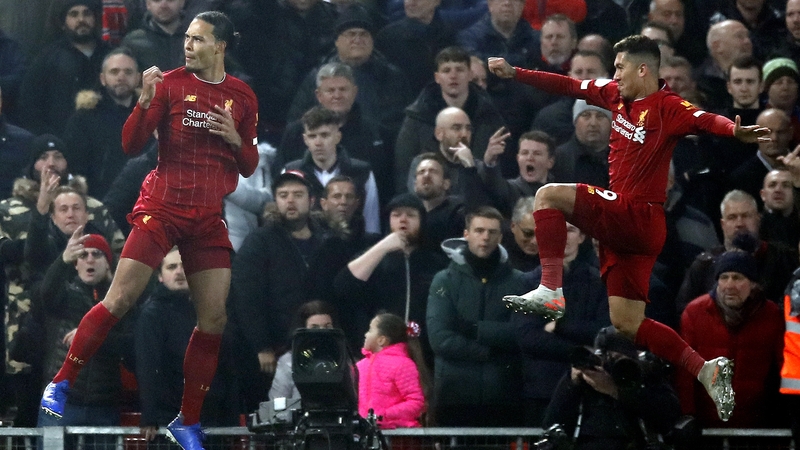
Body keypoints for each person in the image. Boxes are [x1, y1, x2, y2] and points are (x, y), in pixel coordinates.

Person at [488, 34, 770, 422]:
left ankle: (551, 290)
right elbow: (567, 84)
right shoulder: (612, 95)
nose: (614, 73)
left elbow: (704, 119)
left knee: (548, 195)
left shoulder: (668, 106)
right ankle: (707, 369)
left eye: (620, 67)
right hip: (633, 232)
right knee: (627, 323)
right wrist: (515, 72)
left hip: (636, 214)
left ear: (642, 69)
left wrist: (734, 131)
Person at [39, 11, 258, 450]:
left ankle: (187, 421)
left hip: (207, 217)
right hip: (162, 207)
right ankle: (60, 383)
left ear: (222, 46)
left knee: (214, 320)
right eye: (187, 38)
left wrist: (236, 139)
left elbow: (249, 166)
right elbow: (130, 145)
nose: (188, 45)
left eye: (198, 39)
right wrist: (143, 101)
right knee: (119, 298)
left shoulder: (242, 95)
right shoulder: (170, 84)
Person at [427, 206, 525, 426]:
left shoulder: (518, 281)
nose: (485, 237)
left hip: (503, 396)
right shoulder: (444, 280)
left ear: (500, 236)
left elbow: (521, 332)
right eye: (479, 230)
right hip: (454, 398)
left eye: (492, 232)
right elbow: (440, 338)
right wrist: (490, 352)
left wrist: (473, 329)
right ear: (466, 234)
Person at [35, 232, 134, 447]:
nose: (89, 259)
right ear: (75, 264)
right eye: (83, 255)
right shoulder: (63, 296)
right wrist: (63, 260)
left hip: (104, 404)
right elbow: (46, 293)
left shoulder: (120, 303)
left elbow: (128, 345)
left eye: (97, 254)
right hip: (62, 404)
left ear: (108, 264)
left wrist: (90, 335)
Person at [136, 248, 239, 442]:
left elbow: (227, 367)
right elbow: (148, 367)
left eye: (185, 266)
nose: (179, 272)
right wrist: (149, 415)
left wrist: (231, 420)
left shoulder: (213, 309)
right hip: (171, 420)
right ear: (160, 276)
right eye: (172, 266)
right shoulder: (152, 315)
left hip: (214, 418)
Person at [677, 248, 784, 428]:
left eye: (737, 278)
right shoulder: (695, 313)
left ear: (752, 284)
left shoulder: (771, 315)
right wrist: (687, 417)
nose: (729, 285)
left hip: (756, 424)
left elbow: (784, 365)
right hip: (705, 424)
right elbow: (684, 374)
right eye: (724, 277)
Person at [542, 327, 681, 450]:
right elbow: (551, 422)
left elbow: (667, 418)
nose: (611, 366)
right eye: (607, 358)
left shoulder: (647, 376)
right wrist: (571, 383)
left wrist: (616, 391)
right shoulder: (585, 379)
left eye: (619, 359)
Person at [356, 312, 428, 429]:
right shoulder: (360, 366)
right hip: (366, 433)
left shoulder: (403, 364)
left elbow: (416, 402)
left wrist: (384, 415)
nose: (366, 334)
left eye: (370, 330)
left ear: (381, 340)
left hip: (397, 436)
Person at [269, 300, 337, 401]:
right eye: (314, 328)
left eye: (327, 326)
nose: (322, 332)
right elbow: (277, 402)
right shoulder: (288, 361)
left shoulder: (345, 358)